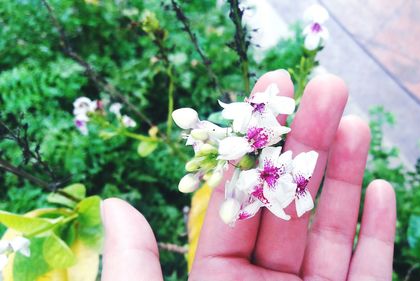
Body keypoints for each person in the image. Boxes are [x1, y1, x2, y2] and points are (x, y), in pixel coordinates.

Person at [100, 71, 397, 281]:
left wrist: (260, 157)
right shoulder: (242, 150)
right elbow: (248, 156)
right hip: (257, 161)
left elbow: (262, 150)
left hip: (265, 161)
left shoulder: (254, 142)